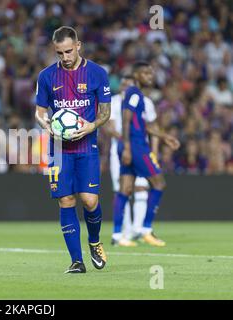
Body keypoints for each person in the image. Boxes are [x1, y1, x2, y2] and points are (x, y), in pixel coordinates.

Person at [35, 26, 111, 273]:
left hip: (86, 145)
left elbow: (105, 113)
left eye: (69, 51)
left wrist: (91, 126)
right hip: (58, 148)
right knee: (65, 200)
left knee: (89, 201)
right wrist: (48, 126)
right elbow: (40, 113)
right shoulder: (46, 77)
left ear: (78, 45)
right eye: (60, 53)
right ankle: (76, 261)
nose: (65, 57)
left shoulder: (97, 73)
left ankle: (95, 241)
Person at [112, 61, 180, 247]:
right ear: (136, 75)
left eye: (151, 73)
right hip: (135, 146)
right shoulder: (134, 93)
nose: (150, 76)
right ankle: (146, 230)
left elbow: (146, 125)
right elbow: (126, 120)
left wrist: (165, 137)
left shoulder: (138, 96)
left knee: (125, 189)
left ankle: (118, 235)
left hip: (130, 145)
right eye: (145, 73)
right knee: (159, 183)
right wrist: (127, 146)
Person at [106, 75, 159, 246]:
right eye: (123, 84)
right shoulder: (113, 102)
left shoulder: (147, 102)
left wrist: (154, 152)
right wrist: (126, 142)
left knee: (142, 187)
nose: (124, 87)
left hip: (142, 150)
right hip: (120, 151)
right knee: (123, 190)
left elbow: (152, 127)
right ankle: (124, 232)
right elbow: (110, 126)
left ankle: (138, 230)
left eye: (128, 85)